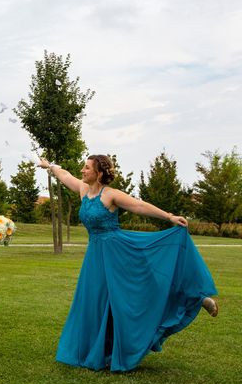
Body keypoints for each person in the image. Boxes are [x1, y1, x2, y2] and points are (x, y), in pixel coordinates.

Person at [38, 154, 218, 372]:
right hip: (96, 255)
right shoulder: (84, 190)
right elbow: (64, 175)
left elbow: (139, 206)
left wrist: (169, 217)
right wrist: (50, 166)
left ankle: (197, 298)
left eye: (87, 168)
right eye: (83, 167)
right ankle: (104, 350)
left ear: (99, 173)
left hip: (118, 252)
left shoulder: (111, 195)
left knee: (138, 293)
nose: (83, 171)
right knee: (98, 300)